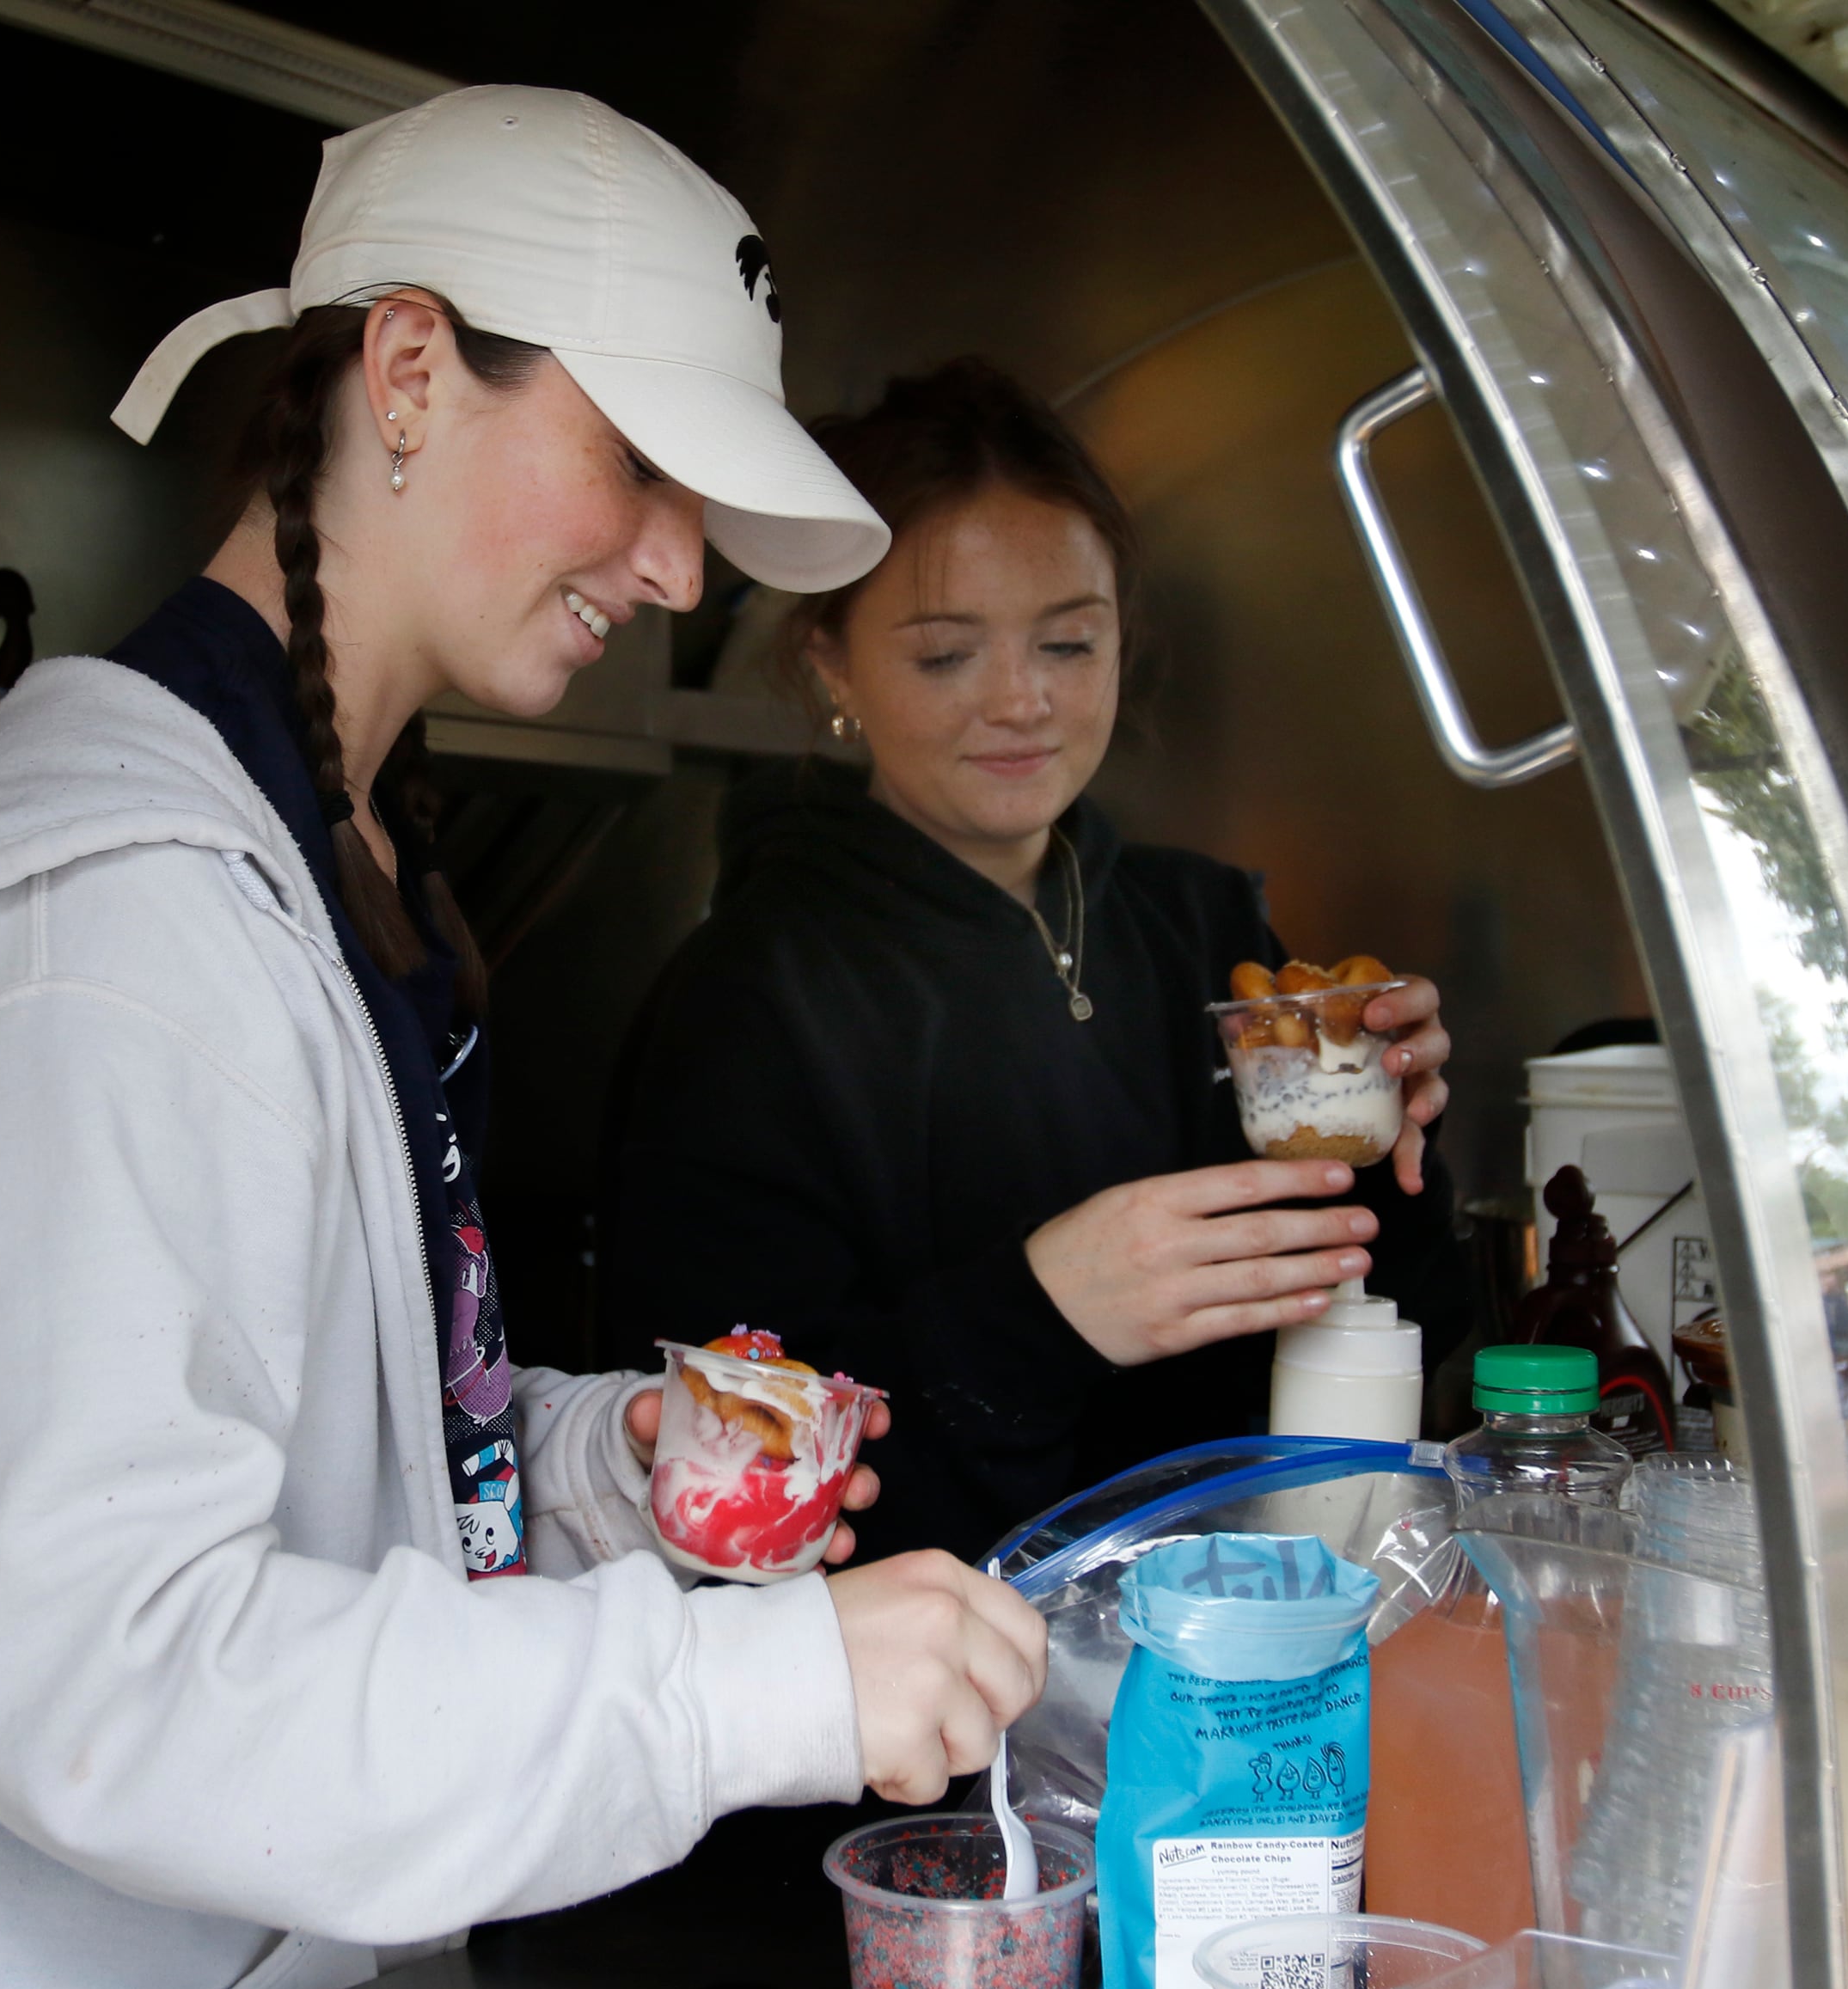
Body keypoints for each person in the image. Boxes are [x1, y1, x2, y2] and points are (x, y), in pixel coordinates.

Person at [0, 89, 1044, 1989]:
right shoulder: (101, 937)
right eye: (641, 465)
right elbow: (118, 1678)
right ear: (415, 372)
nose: (684, 569)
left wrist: (595, 1471)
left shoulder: (325, 857)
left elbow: (310, 1452)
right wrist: (752, 1689)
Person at [602, 361, 1466, 1564]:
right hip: (943, 1698)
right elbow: (716, 1463)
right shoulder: (751, 1000)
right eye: (947, 655)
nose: (1022, 701)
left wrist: (1391, 1134)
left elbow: (1385, 1303)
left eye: (1068, 642)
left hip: (1249, 1634)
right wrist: (1041, 1309)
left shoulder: (1202, 927)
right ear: (833, 664)